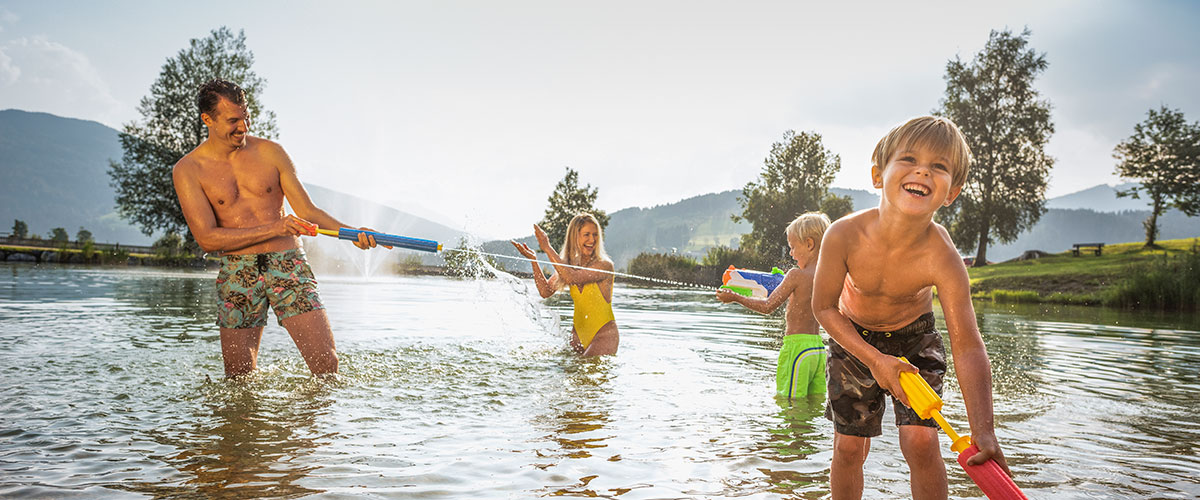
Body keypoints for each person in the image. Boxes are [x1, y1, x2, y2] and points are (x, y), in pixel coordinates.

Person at [811, 116, 1011, 500]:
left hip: (914, 339)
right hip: (854, 340)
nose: (923, 170)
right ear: (877, 174)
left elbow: (967, 344)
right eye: (909, 159)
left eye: (939, 166)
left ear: (951, 192)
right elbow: (823, 309)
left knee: (920, 442)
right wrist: (873, 359)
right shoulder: (843, 234)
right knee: (849, 447)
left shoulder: (943, 256)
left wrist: (983, 429)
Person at [173, 78, 385, 377]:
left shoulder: (271, 152)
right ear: (207, 119)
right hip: (238, 271)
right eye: (233, 120)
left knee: (327, 365)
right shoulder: (188, 170)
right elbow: (208, 239)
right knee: (239, 379)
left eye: (246, 117)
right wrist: (276, 227)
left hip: (288, 265)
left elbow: (308, 211)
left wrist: (352, 233)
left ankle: (315, 423)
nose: (243, 127)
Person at [716, 212, 831, 401]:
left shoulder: (795, 276)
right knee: (814, 404)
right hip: (818, 350)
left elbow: (768, 306)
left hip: (797, 349)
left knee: (790, 404)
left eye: (793, 247)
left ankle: (790, 432)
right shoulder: (827, 275)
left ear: (809, 244)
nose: (791, 253)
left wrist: (735, 297)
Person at [511, 213, 618, 356]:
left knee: (585, 376)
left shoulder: (604, 265)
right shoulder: (568, 266)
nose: (592, 239)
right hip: (578, 337)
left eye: (595, 235)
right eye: (586, 235)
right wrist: (533, 261)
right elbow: (545, 291)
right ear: (575, 237)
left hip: (603, 336)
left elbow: (572, 278)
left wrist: (547, 248)